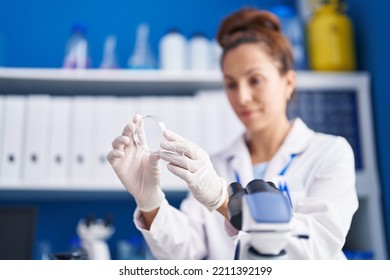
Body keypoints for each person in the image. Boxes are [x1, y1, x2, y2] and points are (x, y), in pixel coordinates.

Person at [107, 7, 358, 259]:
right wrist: (149, 201)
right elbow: (186, 252)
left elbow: (317, 246)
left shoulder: (329, 152)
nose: (242, 97)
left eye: (255, 80)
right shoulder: (216, 165)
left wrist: (224, 200)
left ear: (288, 82)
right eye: (231, 84)